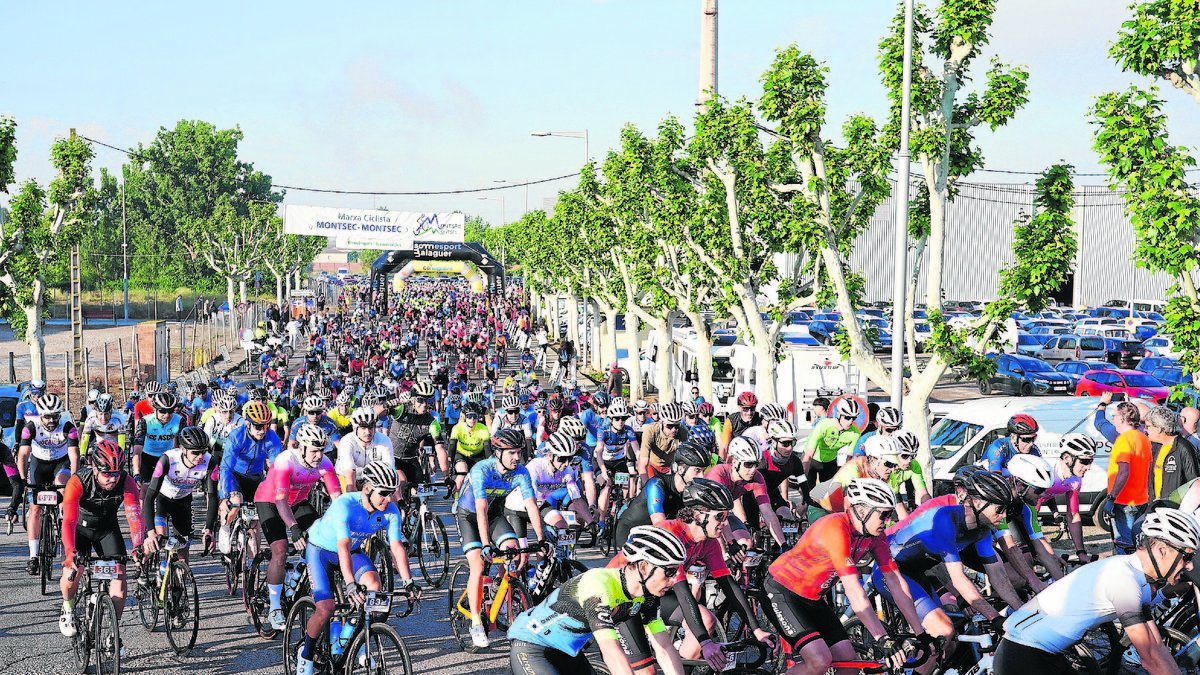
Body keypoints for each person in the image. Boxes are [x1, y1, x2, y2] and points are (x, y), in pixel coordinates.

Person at [995, 507, 1200, 675]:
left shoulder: (1138, 582)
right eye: (1186, 556)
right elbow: (1148, 658)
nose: (1189, 566)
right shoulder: (1123, 580)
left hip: (1041, 653)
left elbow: (1157, 648)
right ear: (1162, 550)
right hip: (1022, 654)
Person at [763, 479, 928, 675]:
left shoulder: (876, 536)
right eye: (883, 514)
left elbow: (895, 581)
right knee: (819, 661)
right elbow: (853, 590)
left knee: (850, 665)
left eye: (890, 514)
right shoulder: (836, 528)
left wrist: (921, 632)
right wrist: (882, 638)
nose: (888, 521)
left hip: (813, 598)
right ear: (862, 511)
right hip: (783, 591)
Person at [871, 466, 1024, 668]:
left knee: (947, 646)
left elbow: (998, 577)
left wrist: (1021, 612)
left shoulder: (982, 530)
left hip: (915, 573)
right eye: (999, 509)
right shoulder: (945, 519)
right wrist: (994, 618)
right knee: (942, 630)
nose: (1003, 517)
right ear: (978, 503)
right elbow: (959, 579)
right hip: (889, 572)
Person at [508, 525, 688, 675]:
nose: (674, 580)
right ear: (643, 566)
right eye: (669, 572)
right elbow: (611, 650)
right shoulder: (599, 586)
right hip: (531, 646)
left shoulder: (647, 596)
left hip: (567, 652)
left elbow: (664, 647)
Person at [294, 461, 417, 675]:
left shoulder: (390, 510)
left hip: (351, 550)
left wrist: (409, 583)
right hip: (321, 550)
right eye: (384, 493)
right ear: (367, 489)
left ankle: (347, 639)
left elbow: (396, 547)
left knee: (373, 585)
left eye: (392, 493)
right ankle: (306, 656)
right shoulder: (345, 505)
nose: (388, 499)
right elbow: (342, 545)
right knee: (326, 608)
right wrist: (350, 583)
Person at [455, 428, 545, 648]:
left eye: (519, 452)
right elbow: (481, 508)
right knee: (478, 564)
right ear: (498, 452)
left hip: (494, 516)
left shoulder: (521, 472)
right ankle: (476, 621)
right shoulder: (481, 470)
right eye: (511, 453)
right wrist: (486, 544)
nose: (517, 457)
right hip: (469, 515)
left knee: (514, 552)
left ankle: (499, 587)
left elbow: (531, 505)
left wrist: (542, 541)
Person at [256, 423, 342, 630]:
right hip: (270, 501)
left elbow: (337, 499)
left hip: (298, 502)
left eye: (321, 450)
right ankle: (275, 607)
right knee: (281, 549)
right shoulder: (286, 461)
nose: (318, 455)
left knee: (320, 539)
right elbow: (280, 501)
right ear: (301, 447)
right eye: (314, 450)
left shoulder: (325, 463)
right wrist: (293, 528)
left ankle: (296, 577)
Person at [57, 441, 145, 639]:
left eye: (116, 473)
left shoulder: (126, 480)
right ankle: (68, 608)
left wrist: (137, 546)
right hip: (80, 529)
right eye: (107, 474)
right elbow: (69, 521)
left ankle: (113, 633)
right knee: (74, 570)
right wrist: (70, 551)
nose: (112, 479)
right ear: (95, 468)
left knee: (120, 576)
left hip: (107, 529)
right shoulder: (78, 481)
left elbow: (134, 516)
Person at [17, 393, 80, 576]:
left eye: (55, 416)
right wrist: (23, 480)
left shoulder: (68, 427)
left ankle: (65, 530)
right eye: (47, 416)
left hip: (61, 463)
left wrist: (74, 481)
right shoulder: (31, 427)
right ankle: (34, 556)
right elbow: (23, 455)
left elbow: (74, 456)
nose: (51, 420)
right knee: (35, 508)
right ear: (40, 414)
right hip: (40, 464)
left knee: (62, 486)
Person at [216, 400, 283, 555]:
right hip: (235, 475)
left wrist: (275, 491)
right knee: (236, 502)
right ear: (248, 424)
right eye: (258, 426)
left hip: (256, 477)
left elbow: (276, 468)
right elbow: (226, 467)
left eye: (266, 426)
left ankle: (252, 564)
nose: (262, 431)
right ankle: (225, 528)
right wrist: (225, 495)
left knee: (254, 521)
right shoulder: (237, 436)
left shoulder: (272, 438)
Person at [141, 427, 217, 562]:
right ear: (183, 449)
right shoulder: (167, 459)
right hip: (162, 500)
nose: (200, 457)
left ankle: (177, 578)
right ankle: (142, 566)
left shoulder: (210, 462)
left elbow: (212, 497)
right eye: (195, 452)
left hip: (183, 502)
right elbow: (149, 496)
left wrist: (209, 530)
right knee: (157, 540)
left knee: (183, 553)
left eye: (203, 452)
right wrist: (150, 532)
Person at [615, 442, 711, 547]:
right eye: (697, 470)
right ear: (681, 469)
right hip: (630, 533)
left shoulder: (692, 492)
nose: (701, 476)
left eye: (703, 471)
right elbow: (660, 523)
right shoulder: (657, 484)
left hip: (654, 537)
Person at [1104, 401, 1152, 554]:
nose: (1113, 420)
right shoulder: (1143, 438)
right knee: (1137, 544)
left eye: (1115, 416)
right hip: (1141, 498)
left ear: (1123, 418)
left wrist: (1111, 498)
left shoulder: (1124, 440)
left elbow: (1123, 472)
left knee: (1126, 546)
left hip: (1125, 501)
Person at [1145, 405, 1200, 502]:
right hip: (1154, 507)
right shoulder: (1156, 446)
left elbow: (1194, 483)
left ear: (1159, 429)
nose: (1145, 430)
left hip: (1173, 510)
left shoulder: (1184, 447)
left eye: (1148, 426)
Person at [803, 398, 862, 484]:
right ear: (838, 414)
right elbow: (809, 455)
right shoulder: (824, 425)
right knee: (807, 491)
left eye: (854, 418)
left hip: (830, 461)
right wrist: (803, 480)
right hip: (812, 459)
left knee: (828, 493)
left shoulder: (855, 433)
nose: (850, 421)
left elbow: (849, 458)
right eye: (847, 417)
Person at [334, 408, 395, 491]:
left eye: (370, 427)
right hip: (345, 474)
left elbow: (389, 467)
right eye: (363, 428)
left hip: (371, 476)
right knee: (346, 497)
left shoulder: (384, 440)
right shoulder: (346, 441)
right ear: (355, 428)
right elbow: (349, 472)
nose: (368, 432)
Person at [638, 402, 687, 481]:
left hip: (669, 467)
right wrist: (645, 485)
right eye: (669, 426)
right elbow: (643, 464)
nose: (674, 430)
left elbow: (685, 459)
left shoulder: (682, 432)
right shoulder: (650, 430)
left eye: (676, 426)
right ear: (662, 422)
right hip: (651, 465)